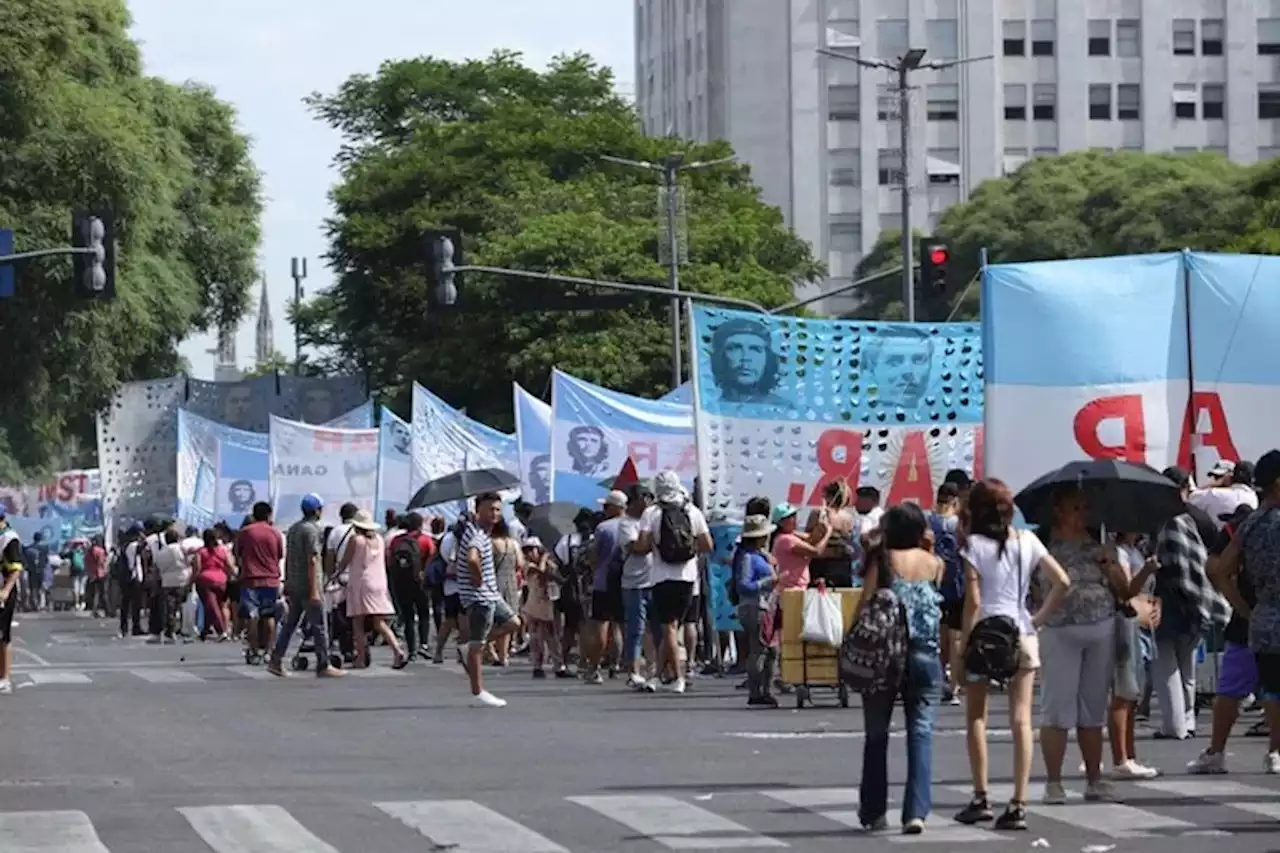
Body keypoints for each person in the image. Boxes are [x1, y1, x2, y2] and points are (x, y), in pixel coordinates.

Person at [954, 479, 1070, 832]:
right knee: (1022, 719)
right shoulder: (1029, 541)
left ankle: (980, 796)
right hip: (1021, 632)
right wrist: (1038, 618)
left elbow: (973, 602)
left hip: (985, 634)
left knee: (977, 716)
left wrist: (961, 649)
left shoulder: (973, 546)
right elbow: (1062, 582)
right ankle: (1019, 802)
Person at [854, 504, 944, 835]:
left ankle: (874, 811)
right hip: (925, 655)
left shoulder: (883, 560)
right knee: (920, 732)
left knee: (877, 734)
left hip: (884, 656)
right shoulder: (935, 564)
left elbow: (866, 602)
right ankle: (916, 812)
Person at [1036, 487, 1130, 803]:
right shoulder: (1043, 545)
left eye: (1085, 507)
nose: (1083, 514)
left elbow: (1124, 591)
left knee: (1092, 709)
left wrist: (1110, 565)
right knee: (1058, 708)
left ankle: (1094, 778)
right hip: (1060, 629)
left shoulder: (1097, 545)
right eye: (1076, 507)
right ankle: (1054, 782)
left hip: (1099, 627)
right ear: (1059, 511)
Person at [1207, 449, 1280, 773]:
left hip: (1263, 614)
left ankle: (1273, 752)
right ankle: (1276, 749)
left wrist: (1244, 608)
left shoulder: (1249, 524)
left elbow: (1220, 570)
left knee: (1271, 686)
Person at [634, 470, 713, 695]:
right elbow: (708, 544)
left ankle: (677, 677)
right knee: (674, 626)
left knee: (668, 627)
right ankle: (657, 677)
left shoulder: (652, 512)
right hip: (687, 577)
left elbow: (643, 545)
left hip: (661, 576)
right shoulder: (692, 510)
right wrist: (688, 549)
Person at [268, 494, 345, 678]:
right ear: (317, 510)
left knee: (290, 624)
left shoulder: (294, 529)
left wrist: (287, 582)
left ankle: (276, 659)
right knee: (319, 626)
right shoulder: (312, 530)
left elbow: (289, 557)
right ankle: (323, 664)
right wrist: (314, 590)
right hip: (308, 584)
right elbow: (312, 559)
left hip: (294, 583)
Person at [457, 492, 522, 706]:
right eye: (490, 509)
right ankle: (478, 691)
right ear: (479, 510)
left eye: (497, 510)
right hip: (480, 597)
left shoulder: (482, 533)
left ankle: (474, 648)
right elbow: (472, 558)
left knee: (514, 622)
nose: (494, 514)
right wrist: (477, 578)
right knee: (478, 644)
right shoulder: (476, 534)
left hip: (491, 594)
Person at [339, 510, 406, 669]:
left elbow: (345, 561)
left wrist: (336, 572)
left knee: (358, 622)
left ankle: (361, 658)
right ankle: (397, 650)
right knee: (379, 622)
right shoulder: (380, 540)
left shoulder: (356, 540)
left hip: (361, 583)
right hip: (379, 582)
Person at [734, 514, 778, 707]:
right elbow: (744, 585)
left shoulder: (757, 556)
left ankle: (764, 689)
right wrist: (769, 581)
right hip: (755, 607)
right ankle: (757, 691)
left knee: (769, 650)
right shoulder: (748, 558)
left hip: (764, 606)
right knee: (760, 649)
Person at [584, 491, 626, 683]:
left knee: (600, 626)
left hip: (603, 581)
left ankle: (594, 668)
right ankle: (616, 665)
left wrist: (594, 570)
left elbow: (593, 556)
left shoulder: (603, 528)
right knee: (618, 626)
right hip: (626, 582)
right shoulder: (634, 526)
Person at [235, 501, 284, 665]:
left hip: (250, 579)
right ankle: (269, 652)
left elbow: (237, 555)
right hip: (271, 579)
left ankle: (254, 651)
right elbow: (279, 555)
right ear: (269, 515)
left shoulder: (245, 532)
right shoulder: (275, 533)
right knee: (269, 616)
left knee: (252, 617)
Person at [617, 484, 654, 689]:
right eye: (643, 498)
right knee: (636, 629)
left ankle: (655, 668)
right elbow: (638, 548)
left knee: (656, 627)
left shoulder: (650, 520)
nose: (647, 502)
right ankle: (634, 670)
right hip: (634, 582)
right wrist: (652, 536)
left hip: (655, 579)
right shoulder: (626, 524)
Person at [387, 512, 435, 663]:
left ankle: (412, 650)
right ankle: (424, 645)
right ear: (420, 524)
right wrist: (423, 571)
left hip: (402, 582)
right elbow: (433, 556)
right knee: (423, 614)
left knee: (407, 616)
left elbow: (389, 560)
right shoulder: (425, 539)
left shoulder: (396, 540)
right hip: (420, 582)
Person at [192, 529, 231, 641]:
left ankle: (221, 630)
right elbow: (228, 565)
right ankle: (205, 630)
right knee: (215, 605)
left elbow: (198, 567)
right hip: (221, 580)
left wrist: (193, 579)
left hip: (206, 580)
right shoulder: (222, 551)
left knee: (212, 607)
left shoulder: (201, 552)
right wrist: (233, 575)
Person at [154, 528, 191, 642]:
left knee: (169, 606)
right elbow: (188, 562)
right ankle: (178, 628)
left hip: (167, 581)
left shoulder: (161, 552)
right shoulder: (181, 549)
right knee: (179, 605)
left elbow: (157, 567)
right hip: (181, 579)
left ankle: (169, 629)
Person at [0, 511, 23, 693]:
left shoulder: (9, 539)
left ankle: (5, 678)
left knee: (2, 635)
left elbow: (15, 569)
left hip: (3, 591)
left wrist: (6, 590)